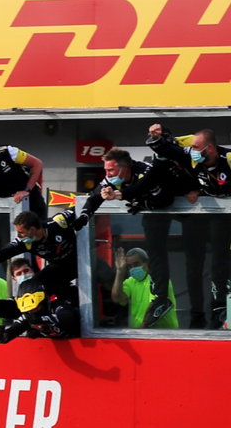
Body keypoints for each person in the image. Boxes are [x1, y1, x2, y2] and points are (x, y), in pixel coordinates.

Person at [82, 147, 185, 326]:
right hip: (142, 333)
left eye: (111, 170)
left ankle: (161, 300)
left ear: (125, 167)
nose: (107, 174)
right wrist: (85, 210)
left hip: (185, 207)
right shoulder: (131, 281)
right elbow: (117, 297)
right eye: (106, 170)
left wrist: (129, 197)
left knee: (160, 246)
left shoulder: (146, 172)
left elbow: (162, 198)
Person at [146, 124, 231, 327]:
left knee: (220, 258)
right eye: (191, 146)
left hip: (223, 216)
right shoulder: (190, 151)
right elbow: (167, 146)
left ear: (210, 148)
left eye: (198, 147)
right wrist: (156, 133)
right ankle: (196, 314)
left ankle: (219, 306)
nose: (193, 150)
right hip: (196, 216)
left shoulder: (227, 158)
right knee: (193, 265)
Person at [0, 253, 78, 343]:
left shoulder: (56, 302)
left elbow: (68, 317)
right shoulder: (28, 314)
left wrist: (40, 320)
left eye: (26, 271)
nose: (31, 308)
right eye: (19, 273)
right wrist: (5, 335)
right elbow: (15, 323)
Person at [110, 247, 179, 329]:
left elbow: (156, 306)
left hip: (164, 334)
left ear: (146, 262)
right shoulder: (131, 282)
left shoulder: (158, 279)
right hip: (141, 335)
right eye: (129, 266)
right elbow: (117, 297)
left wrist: (141, 331)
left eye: (136, 264)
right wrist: (120, 271)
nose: (133, 269)